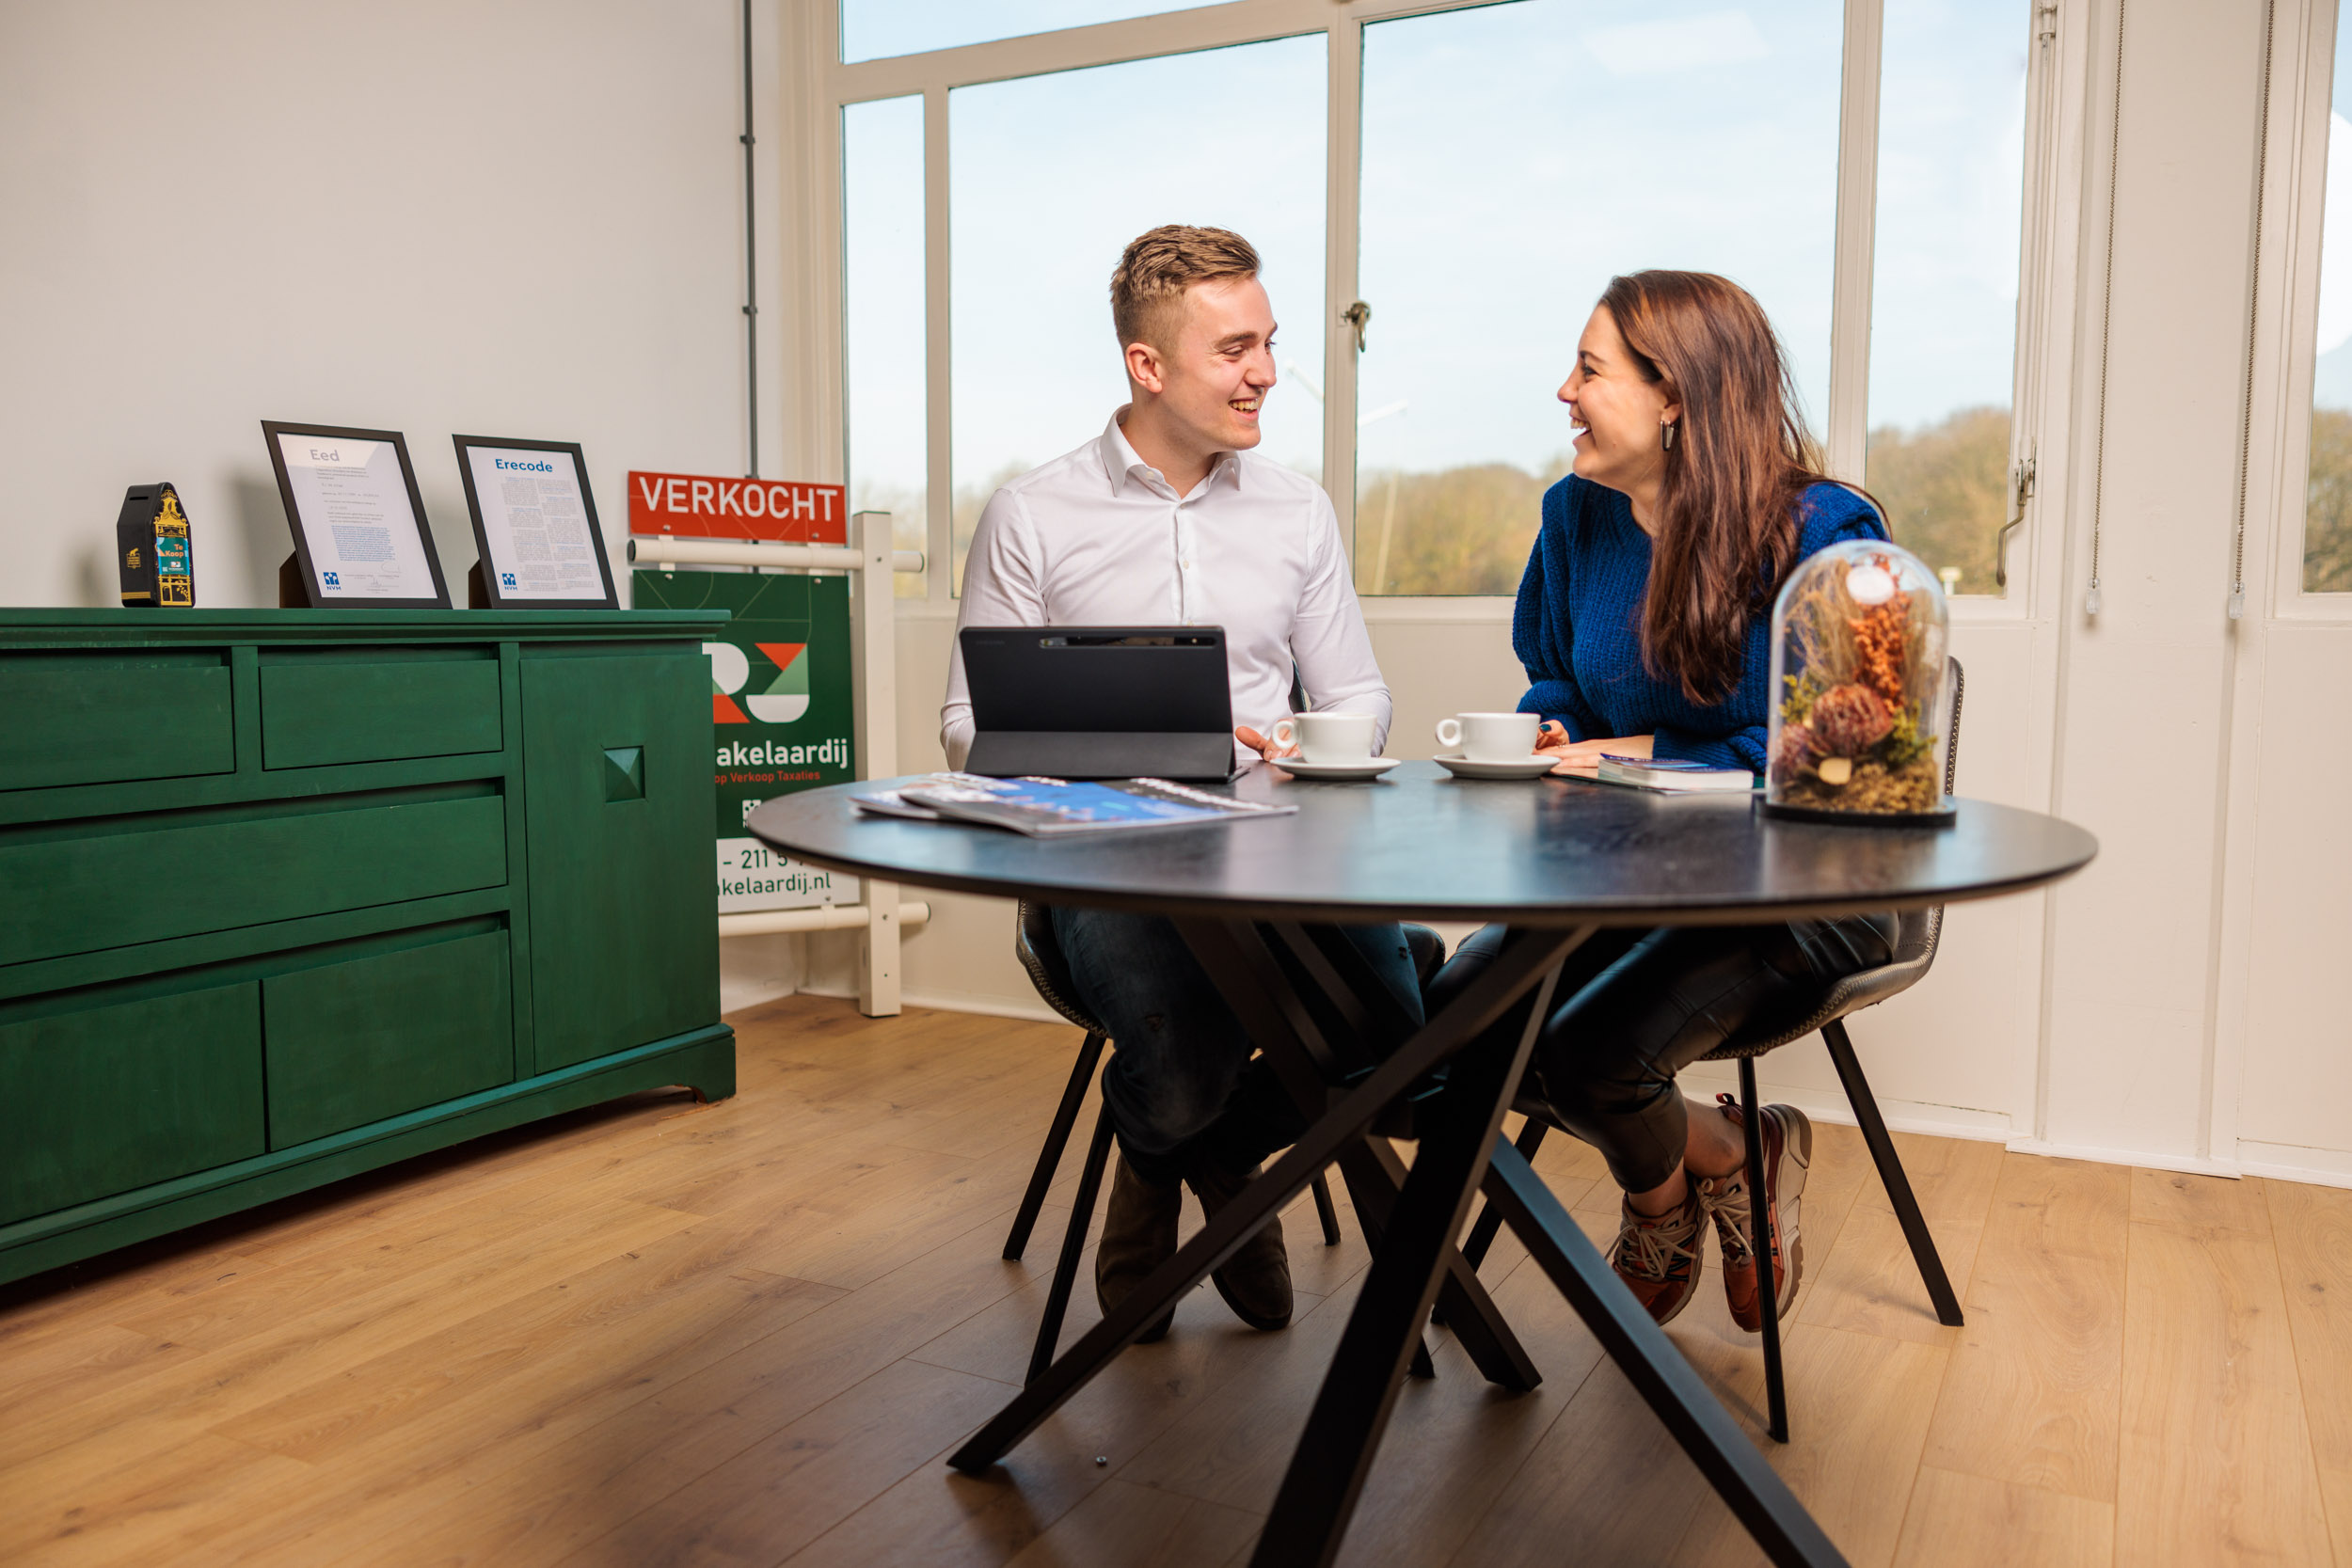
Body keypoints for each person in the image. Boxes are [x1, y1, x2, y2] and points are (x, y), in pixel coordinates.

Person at [942, 224, 1422, 1338]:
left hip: (1282, 855)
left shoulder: (1297, 509)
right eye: (1235, 349)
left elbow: (1358, 695)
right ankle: (1203, 1149)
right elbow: (970, 727)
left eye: (1269, 343)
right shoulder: (1031, 513)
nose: (1266, 373)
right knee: (1179, 1046)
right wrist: (1146, 739)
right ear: (1146, 364)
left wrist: (1305, 738)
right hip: (1103, 865)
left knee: (1402, 1033)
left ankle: (1185, 1156)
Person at [1426, 270, 1898, 1330]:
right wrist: (1554, 729)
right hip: (1623, 876)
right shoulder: (1574, 516)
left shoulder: (1830, 532)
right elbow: (1556, 678)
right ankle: (1723, 1156)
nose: (1564, 391)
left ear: (1675, 393)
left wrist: (1636, 749)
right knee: (1455, 1027)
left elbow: (1845, 757)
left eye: (1588, 369)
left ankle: (1665, 1194)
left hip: (1800, 886)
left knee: (1592, 1056)